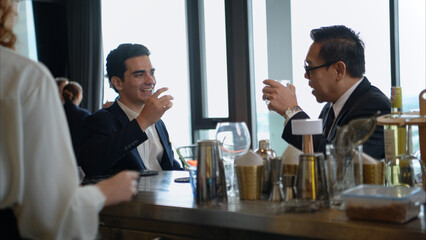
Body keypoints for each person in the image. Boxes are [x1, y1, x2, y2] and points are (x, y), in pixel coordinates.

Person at [0, 0, 139, 238]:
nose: (19, 5)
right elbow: (49, 214)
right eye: (140, 73)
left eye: (151, 72)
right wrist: (102, 193)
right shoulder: (25, 78)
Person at [262, 25, 391, 159]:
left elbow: (340, 165)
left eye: (310, 68)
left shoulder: (375, 107)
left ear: (339, 70)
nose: (306, 76)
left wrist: (292, 111)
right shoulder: (329, 108)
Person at [79, 43, 182, 177]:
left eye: (151, 72)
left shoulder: (158, 123)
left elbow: (169, 166)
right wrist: (143, 121)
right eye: (139, 75)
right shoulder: (100, 121)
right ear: (117, 83)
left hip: (163, 196)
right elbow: (92, 165)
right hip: (130, 197)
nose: (150, 81)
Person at [62, 81, 91, 160]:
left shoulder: (55, 112)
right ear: (78, 95)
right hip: (76, 158)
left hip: (58, 155)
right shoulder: (84, 115)